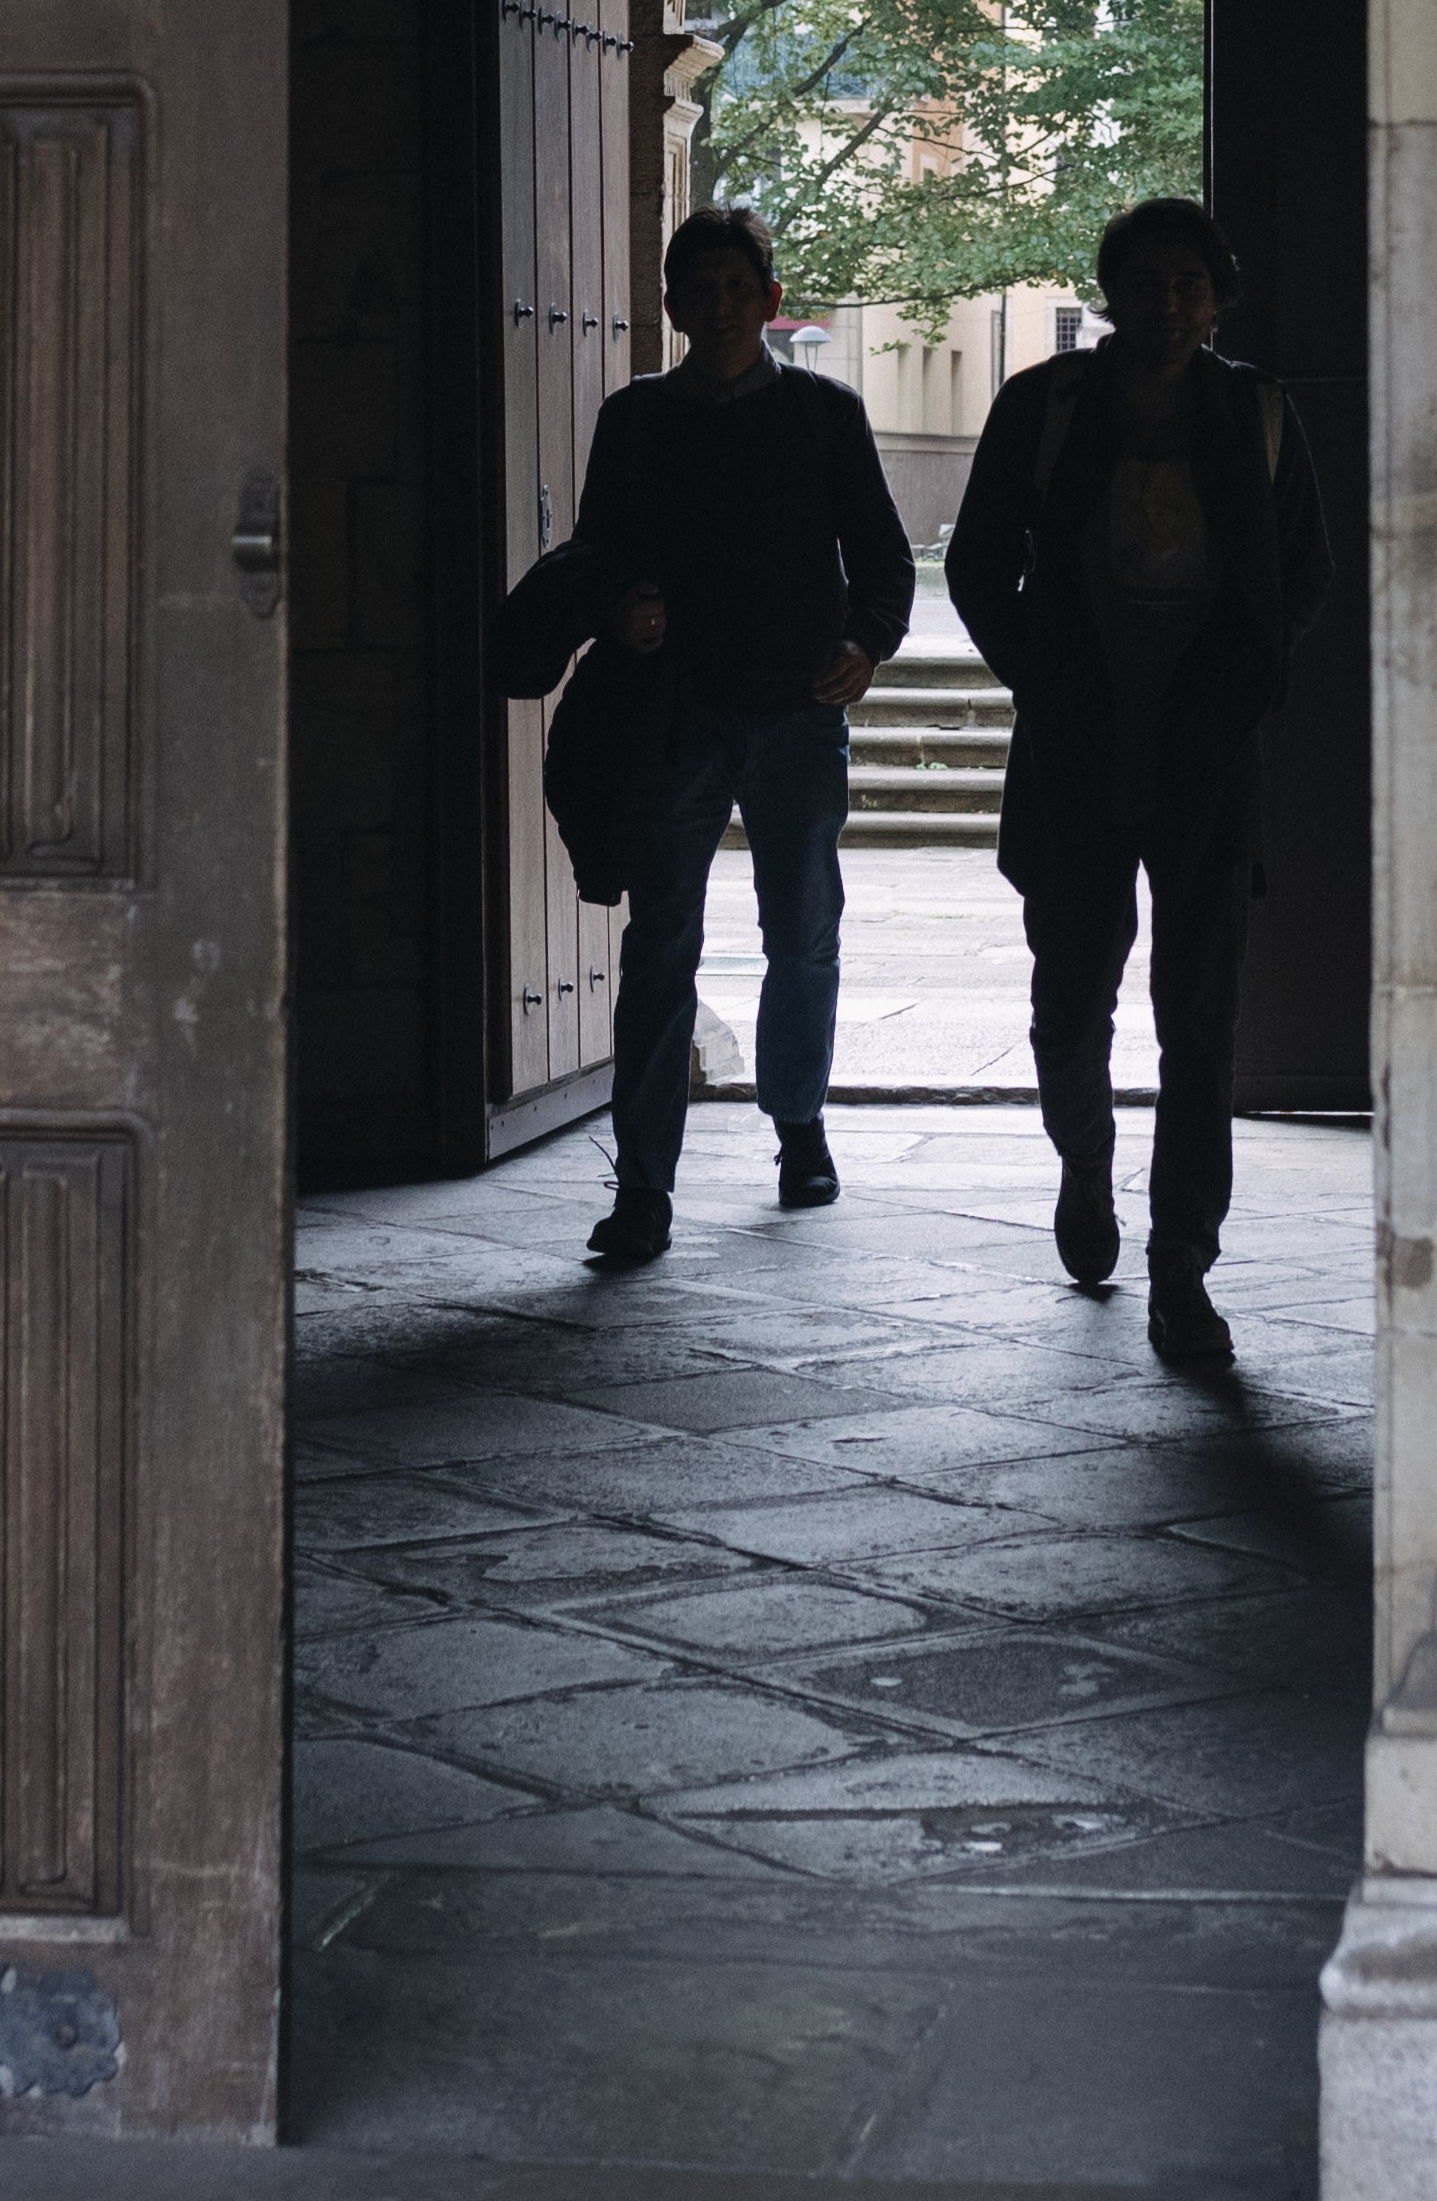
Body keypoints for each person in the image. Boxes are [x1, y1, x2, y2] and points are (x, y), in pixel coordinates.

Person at [941, 195, 1330, 1372]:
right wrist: (1045, 681)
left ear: (1218, 300)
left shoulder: (1257, 411)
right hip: (1075, 741)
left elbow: (1301, 571)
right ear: (1108, 292)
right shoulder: (1046, 405)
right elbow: (974, 564)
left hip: (1206, 750)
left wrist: (1238, 687)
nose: (1166, 305)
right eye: (1144, 282)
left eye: (1189, 285)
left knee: (1197, 1013)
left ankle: (1182, 1267)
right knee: (1071, 990)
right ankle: (1083, 1158)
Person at [556, 208, 911, 1267]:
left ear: (767, 298)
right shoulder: (634, 420)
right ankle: (645, 1185)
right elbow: (596, 553)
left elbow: (883, 559)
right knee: (660, 941)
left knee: (801, 926)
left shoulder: (824, 415)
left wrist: (868, 643)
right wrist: (619, 607)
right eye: (693, 288)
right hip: (672, 715)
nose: (714, 306)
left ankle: (798, 1122)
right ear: (668, 306)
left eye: (733, 287)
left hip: (798, 710)